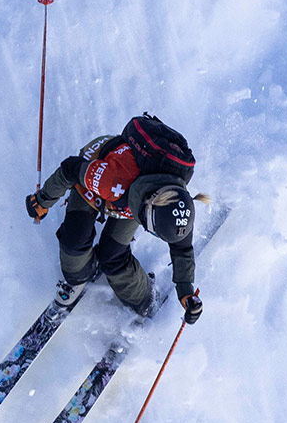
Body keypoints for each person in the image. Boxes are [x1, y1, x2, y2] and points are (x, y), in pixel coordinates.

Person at [25, 112, 204, 322]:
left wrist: (185, 289)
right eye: (150, 228)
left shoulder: (177, 208)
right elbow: (70, 169)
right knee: (75, 240)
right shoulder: (111, 180)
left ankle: (145, 299)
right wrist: (42, 200)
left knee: (112, 255)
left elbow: (182, 247)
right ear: (148, 207)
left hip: (134, 196)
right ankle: (79, 275)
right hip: (97, 171)